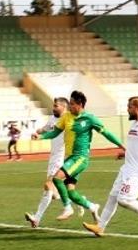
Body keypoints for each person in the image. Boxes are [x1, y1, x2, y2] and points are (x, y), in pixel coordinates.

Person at [30, 90, 124, 223]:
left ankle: (67, 208)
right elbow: (54, 133)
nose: (70, 106)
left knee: (56, 178)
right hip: (70, 158)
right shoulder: (66, 117)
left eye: (73, 104)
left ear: (80, 104)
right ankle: (92, 206)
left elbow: (106, 133)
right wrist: (41, 137)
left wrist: (122, 146)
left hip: (80, 158)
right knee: (71, 193)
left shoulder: (89, 118)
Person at [82, 96, 138, 237]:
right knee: (113, 197)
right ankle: (100, 227)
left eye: (129, 107)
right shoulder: (135, 124)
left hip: (137, 171)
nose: (127, 110)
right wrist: (125, 154)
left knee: (124, 200)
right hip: (127, 168)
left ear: (137, 108)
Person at [25, 97, 70, 227]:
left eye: (56, 106)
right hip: (53, 158)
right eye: (53, 105)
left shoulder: (68, 120)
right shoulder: (52, 119)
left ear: (63, 107)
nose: (53, 108)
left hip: (62, 157)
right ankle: (85, 204)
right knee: (50, 190)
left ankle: (37, 218)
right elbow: (45, 129)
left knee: (48, 186)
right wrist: (38, 132)